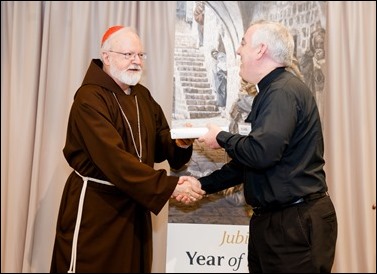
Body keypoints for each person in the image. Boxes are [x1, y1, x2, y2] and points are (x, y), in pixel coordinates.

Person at [177, 20, 337, 273]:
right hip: (280, 224)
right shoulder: (273, 90)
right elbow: (250, 162)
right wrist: (201, 185)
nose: (238, 51)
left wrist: (221, 138)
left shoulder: (281, 92)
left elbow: (261, 153)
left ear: (261, 50)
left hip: (293, 226)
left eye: (242, 43)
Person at [50, 26, 205, 273]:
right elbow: (114, 158)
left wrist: (179, 142)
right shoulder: (89, 98)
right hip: (98, 209)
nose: (136, 61)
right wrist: (170, 186)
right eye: (128, 54)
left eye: (140, 55)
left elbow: (158, 141)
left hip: (135, 205)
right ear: (107, 57)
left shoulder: (141, 95)